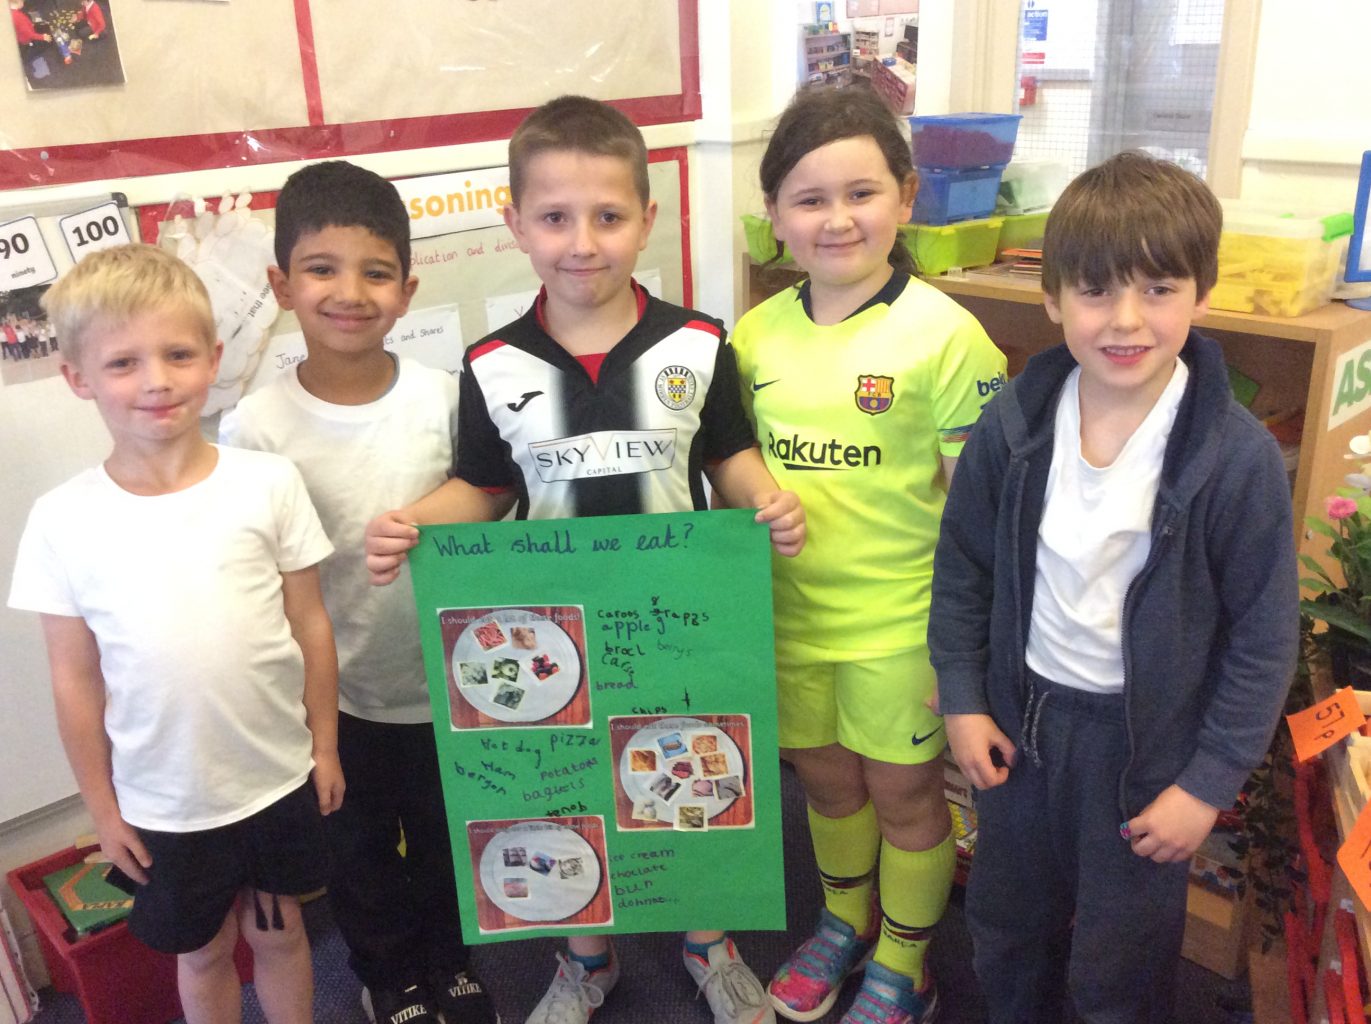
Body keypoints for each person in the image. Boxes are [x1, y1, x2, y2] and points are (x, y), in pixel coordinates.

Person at [365, 95, 805, 1024]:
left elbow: (728, 456)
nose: (582, 242)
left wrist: (765, 499)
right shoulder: (493, 364)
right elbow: (483, 486)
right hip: (551, 630)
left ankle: (707, 943)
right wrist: (413, 521)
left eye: (608, 216)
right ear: (516, 223)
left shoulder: (698, 343)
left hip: (678, 620)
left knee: (693, 775)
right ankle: (584, 960)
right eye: (555, 217)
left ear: (646, 218)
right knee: (564, 790)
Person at [928, 151, 1299, 1022]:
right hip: (1022, 728)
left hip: (1141, 753)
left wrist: (1205, 785)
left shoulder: (1234, 459)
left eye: (1158, 289)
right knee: (1006, 926)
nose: (1125, 320)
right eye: (1095, 291)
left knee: (1118, 959)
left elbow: (1261, 638)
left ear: (1200, 294)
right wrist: (963, 698)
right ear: (1052, 298)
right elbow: (963, 568)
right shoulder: (1012, 425)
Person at [7, 244, 342, 1024]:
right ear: (78, 378)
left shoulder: (266, 483)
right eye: (123, 363)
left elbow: (310, 623)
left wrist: (325, 747)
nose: (156, 380)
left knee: (283, 931)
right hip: (166, 803)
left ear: (213, 359)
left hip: (276, 777)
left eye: (178, 354)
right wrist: (102, 808)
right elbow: (74, 679)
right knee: (204, 951)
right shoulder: (62, 520)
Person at [730, 88, 1006, 1024]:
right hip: (789, 618)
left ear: (907, 195)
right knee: (827, 784)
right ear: (774, 215)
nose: (836, 219)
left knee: (903, 794)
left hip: (901, 626)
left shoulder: (947, 337)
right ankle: (844, 922)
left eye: (861, 193)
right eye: (809, 199)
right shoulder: (753, 335)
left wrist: (965, 655)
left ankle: (905, 961)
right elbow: (731, 468)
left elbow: (982, 513)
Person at [219, 160, 498, 1024]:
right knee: (358, 848)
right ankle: (388, 975)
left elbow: (492, 498)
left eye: (376, 272)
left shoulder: (445, 399)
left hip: (450, 683)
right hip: (334, 700)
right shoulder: (255, 426)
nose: (349, 292)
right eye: (321, 269)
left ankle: (452, 960)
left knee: (453, 833)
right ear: (282, 286)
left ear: (407, 291)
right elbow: (253, 571)